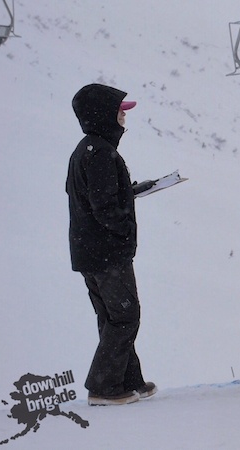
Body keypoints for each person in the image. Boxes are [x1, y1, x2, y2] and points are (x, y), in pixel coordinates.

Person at [67, 83, 157, 406]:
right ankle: (103, 387)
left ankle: (128, 380)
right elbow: (104, 207)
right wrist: (124, 235)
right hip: (106, 255)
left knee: (112, 318)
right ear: (103, 115)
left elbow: (94, 198)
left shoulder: (86, 149)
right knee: (125, 316)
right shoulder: (102, 153)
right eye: (120, 111)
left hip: (88, 253)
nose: (123, 116)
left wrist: (128, 192)